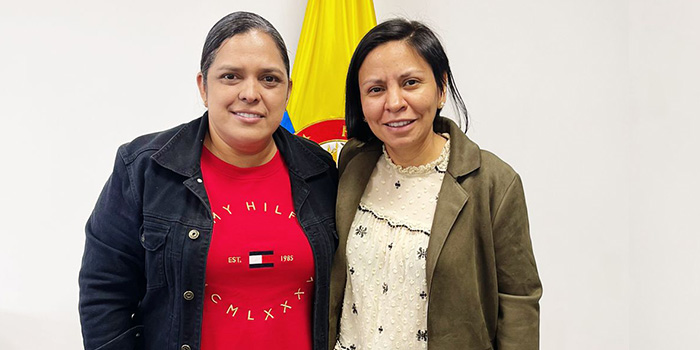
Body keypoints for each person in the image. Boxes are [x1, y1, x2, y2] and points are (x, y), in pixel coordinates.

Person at [79, 12, 338, 350]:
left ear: (288, 90)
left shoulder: (320, 169)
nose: (251, 93)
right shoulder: (144, 168)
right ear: (203, 87)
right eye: (231, 76)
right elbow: (104, 293)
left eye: (269, 79)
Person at [329, 19, 542, 350]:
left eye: (410, 83)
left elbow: (519, 301)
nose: (394, 102)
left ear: (441, 89)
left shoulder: (493, 183)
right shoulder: (353, 164)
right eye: (376, 89)